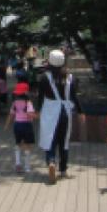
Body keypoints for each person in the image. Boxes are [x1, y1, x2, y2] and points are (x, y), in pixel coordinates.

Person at [37, 49, 84, 184]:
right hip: (65, 112)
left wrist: (38, 111)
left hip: (49, 111)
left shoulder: (44, 77)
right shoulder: (71, 78)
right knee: (64, 142)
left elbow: (40, 97)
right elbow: (74, 96)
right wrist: (81, 112)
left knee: (49, 138)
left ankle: (51, 161)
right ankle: (63, 170)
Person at [5, 81, 36, 173]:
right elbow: (30, 114)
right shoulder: (28, 103)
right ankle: (27, 167)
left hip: (17, 125)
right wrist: (38, 116)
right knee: (27, 146)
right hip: (27, 125)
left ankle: (18, 164)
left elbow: (11, 115)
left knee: (18, 144)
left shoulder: (15, 103)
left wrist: (6, 125)